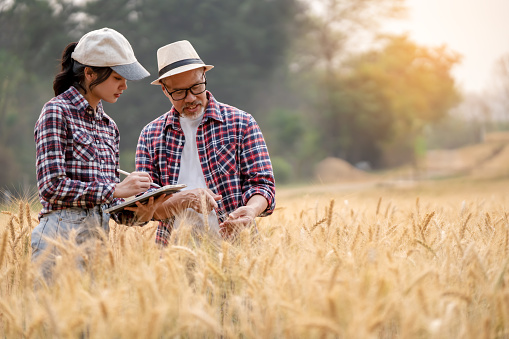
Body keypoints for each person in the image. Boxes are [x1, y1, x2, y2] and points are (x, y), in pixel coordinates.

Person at [31, 28, 168, 275]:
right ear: (90, 73)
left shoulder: (109, 128)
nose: (124, 86)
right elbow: (51, 187)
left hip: (98, 244)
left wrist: (141, 212)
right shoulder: (56, 112)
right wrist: (116, 189)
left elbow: (108, 204)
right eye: (118, 78)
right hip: (59, 241)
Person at [135, 40, 276, 246]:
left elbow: (263, 185)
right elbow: (144, 209)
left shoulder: (241, 122)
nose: (191, 98)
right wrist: (185, 199)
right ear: (165, 90)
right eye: (179, 92)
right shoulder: (150, 135)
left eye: (196, 87)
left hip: (237, 251)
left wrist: (252, 210)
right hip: (174, 254)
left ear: (204, 75)